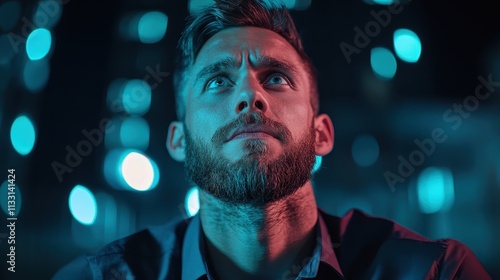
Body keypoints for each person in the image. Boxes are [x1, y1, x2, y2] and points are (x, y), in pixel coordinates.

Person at [53, 0, 492, 279]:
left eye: (276, 78)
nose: (250, 95)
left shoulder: (437, 272)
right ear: (179, 141)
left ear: (321, 133)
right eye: (217, 82)